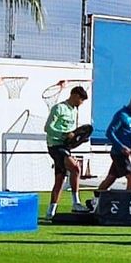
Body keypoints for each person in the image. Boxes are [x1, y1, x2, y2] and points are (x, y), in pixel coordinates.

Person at [44, 85, 90, 219]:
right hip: (55, 146)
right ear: (75, 96)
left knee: (60, 179)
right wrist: (64, 134)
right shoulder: (59, 108)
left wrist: (79, 139)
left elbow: (73, 134)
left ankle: (50, 212)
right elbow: (48, 128)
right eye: (81, 100)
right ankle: (76, 203)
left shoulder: (74, 110)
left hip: (65, 147)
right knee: (76, 168)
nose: (81, 103)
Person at [95, 93, 131, 199]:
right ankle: (127, 203)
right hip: (118, 153)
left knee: (111, 178)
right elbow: (109, 132)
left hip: (124, 153)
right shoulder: (121, 115)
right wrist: (121, 147)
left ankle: (95, 200)